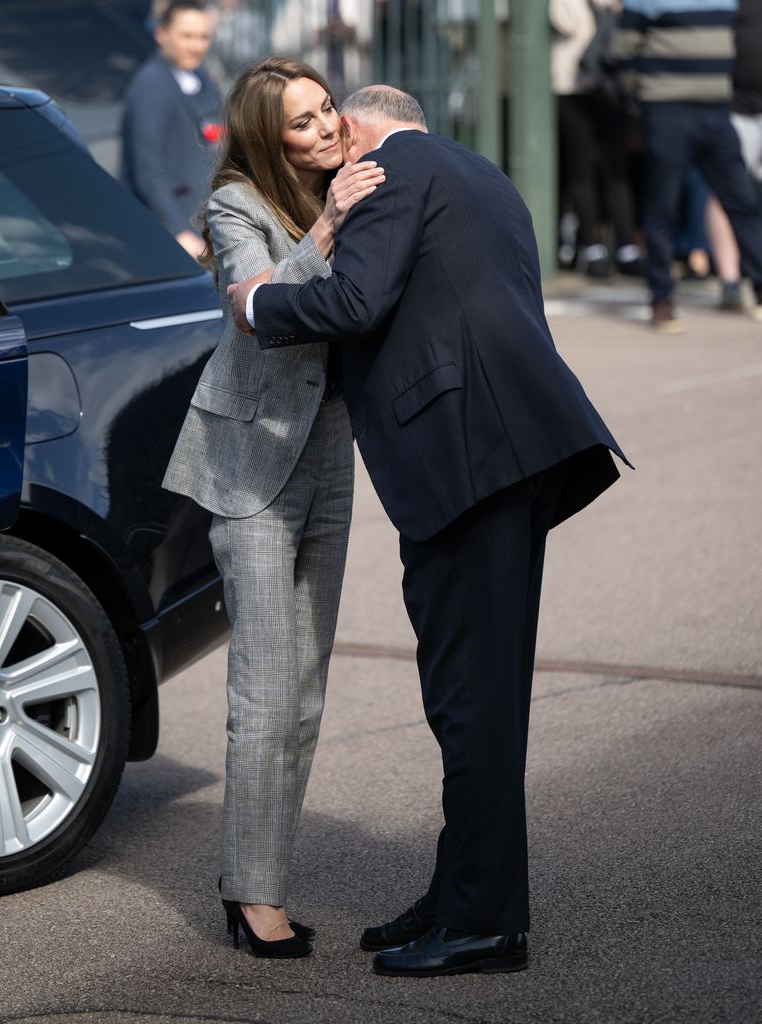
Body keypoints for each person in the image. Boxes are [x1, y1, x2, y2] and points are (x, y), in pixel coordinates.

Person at [229, 85, 630, 978]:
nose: (332, 144)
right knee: (473, 692)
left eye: (338, 128)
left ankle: (485, 922)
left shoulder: (393, 170)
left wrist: (257, 304)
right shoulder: (476, 169)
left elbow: (356, 303)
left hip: (467, 458)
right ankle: (460, 892)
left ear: (369, 128)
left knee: (473, 702)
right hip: (507, 453)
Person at [163, 57, 384, 959]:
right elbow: (261, 309)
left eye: (328, 108)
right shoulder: (235, 205)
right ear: (268, 136)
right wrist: (332, 222)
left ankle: (260, 878)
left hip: (330, 451)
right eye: (303, 121)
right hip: (250, 460)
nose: (327, 127)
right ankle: (255, 898)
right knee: (264, 688)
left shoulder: (354, 181)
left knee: (304, 690)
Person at [612, 0, 762, 331]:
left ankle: (759, 288)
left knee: (742, 202)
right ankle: (661, 299)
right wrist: (645, 95)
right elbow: (622, 51)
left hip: (717, 111)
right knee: (662, 206)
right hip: (667, 110)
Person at [121, 0, 223, 259]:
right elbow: (148, 170)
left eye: (203, 37)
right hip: (172, 236)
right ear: (161, 34)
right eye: (187, 36)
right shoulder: (151, 85)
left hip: (204, 222)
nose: (197, 46)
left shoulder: (202, 80)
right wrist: (179, 231)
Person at [550, 0, 643, 277]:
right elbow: (563, 21)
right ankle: (592, 247)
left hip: (609, 85)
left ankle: (626, 246)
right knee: (581, 168)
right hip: (572, 85)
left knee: (615, 168)